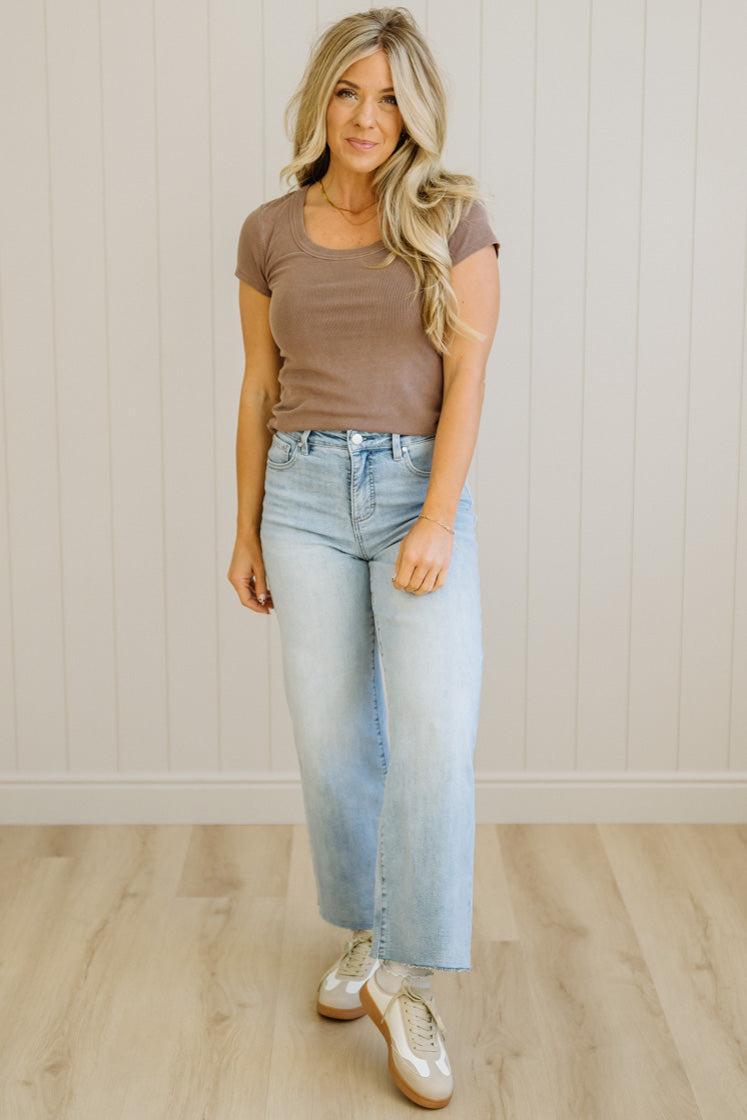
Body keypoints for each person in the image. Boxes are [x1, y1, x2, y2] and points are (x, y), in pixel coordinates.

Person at [227, 7, 500, 1110]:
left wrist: (436, 515)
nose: (367, 116)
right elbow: (257, 386)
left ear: (414, 110)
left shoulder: (455, 219)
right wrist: (243, 525)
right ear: (321, 100)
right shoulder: (267, 230)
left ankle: (409, 975)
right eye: (349, 91)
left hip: (410, 494)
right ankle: (367, 932)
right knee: (335, 733)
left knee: (433, 730)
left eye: (389, 96)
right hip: (297, 495)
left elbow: (469, 383)